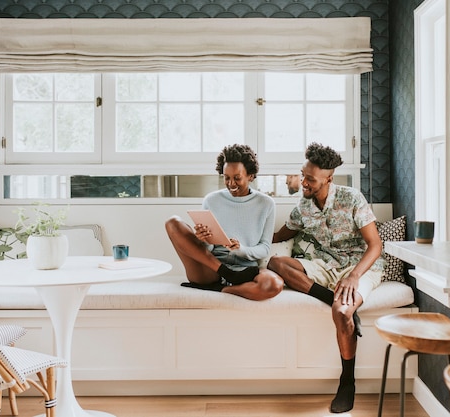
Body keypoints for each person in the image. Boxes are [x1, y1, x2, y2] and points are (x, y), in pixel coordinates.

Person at [267, 142, 385, 413]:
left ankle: (347, 382)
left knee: (342, 313)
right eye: (302, 175)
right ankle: (327, 295)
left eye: (310, 179)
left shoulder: (352, 198)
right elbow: (282, 234)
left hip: (359, 267)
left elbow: (375, 245)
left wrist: (354, 277)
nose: (303, 182)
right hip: (324, 265)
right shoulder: (304, 205)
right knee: (276, 263)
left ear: (329, 179)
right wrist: (247, 240)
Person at [165, 144, 283, 301]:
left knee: (274, 284)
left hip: (245, 270)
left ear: (251, 176)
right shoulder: (212, 200)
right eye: (226, 178)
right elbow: (207, 249)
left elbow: (265, 248)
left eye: (237, 178)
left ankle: (222, 289)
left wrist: (241, 249)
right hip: (211, 269)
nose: (231, 184)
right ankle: (226, 275)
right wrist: (204, 240)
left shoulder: (266, 204)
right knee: (173, 223)